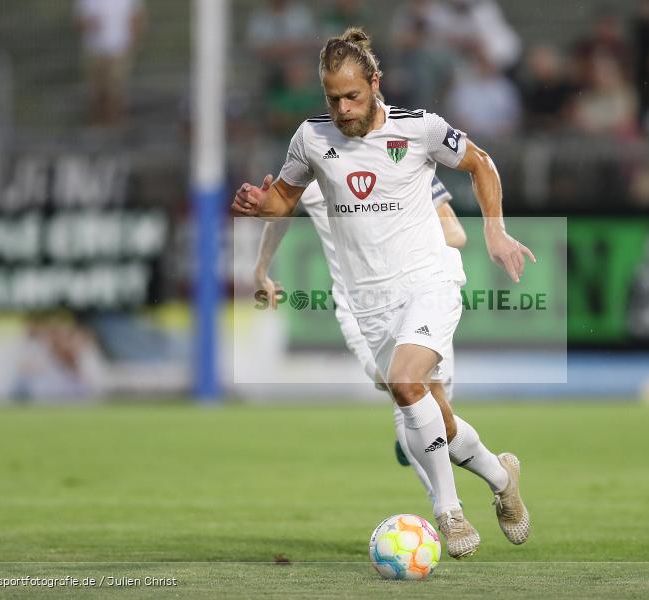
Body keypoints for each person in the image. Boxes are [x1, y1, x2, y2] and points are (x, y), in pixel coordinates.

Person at [232, 28, 534, 558]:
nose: (344, 109)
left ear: (375, 82)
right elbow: (284, 200)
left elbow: (481, 163)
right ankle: (500, 474)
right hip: (367, 303)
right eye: (333, 98)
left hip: (429, 280)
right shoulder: (311, 139)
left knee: (405, 384)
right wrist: (262, 203)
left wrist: (494, 229)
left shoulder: (419, 130)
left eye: (352, 95)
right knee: (431, 413)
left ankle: (449, 513)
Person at [251, 174, 466, 508]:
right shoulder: (313, 159)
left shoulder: (407, 155)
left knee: (438, 416)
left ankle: (436, 451)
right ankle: (449, 510)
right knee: (405, 391)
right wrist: (261, 270)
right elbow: (281, 210)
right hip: (359, 307)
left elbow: (455, 233)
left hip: (418, 295)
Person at [74, 0, 145, 127]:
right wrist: (89, 24)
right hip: (94, 51)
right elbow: (79, 22)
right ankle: (96, 130)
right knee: (95, 94)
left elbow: (137, 17)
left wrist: (134, 43)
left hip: (119, 49)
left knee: (116, 94)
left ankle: (115, 129)